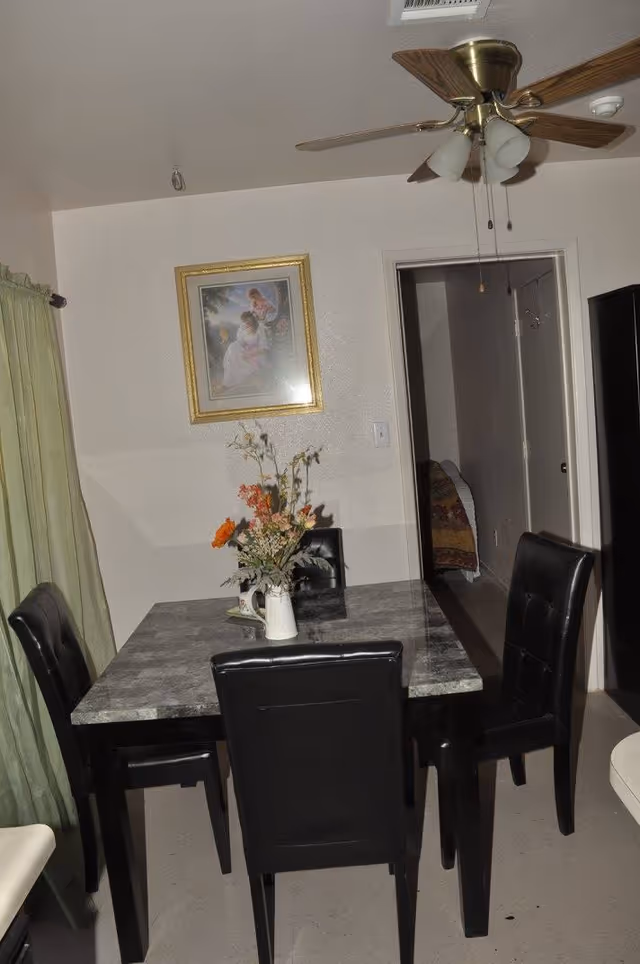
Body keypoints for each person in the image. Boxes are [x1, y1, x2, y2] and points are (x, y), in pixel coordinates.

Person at [223, 311, 269, 389]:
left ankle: (239, 380)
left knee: (240, 356)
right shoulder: (243, 328)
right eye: (245, 321)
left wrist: (250, 354)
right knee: (233, 347)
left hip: (256, 353)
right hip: (245, 350)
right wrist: (243, 349)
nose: (247, 323)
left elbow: (264, 348)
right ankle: (231, 381)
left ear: (253, 319)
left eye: (249, 320)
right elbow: (240, 342)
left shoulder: (259, 328)